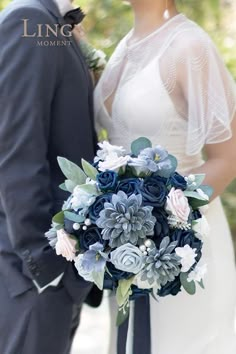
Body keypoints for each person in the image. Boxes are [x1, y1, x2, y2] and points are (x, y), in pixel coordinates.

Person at [94, 0, 236, 353]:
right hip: (126, 251)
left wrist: (157, 223)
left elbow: (227, 158)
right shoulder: (126, 44)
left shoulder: (189, 46)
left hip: (180, 251)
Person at [0, 0, 101, 353]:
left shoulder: (53, 23)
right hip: (32, 280)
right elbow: (16, 151)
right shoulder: (27, 19)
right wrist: (45, 266)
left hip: (59, 277)